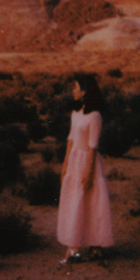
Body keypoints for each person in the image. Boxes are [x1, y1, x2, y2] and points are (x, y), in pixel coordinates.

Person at [56, 73, 114, 264]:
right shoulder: (76, 114)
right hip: (75, 161)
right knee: (75, 202)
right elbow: (71, 140)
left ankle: (89, 245)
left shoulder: (95, 116)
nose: (73, 90)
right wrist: (65, 165)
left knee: (90, 202)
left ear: (85, 91)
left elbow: (92, 146)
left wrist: (89, 173)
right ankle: (75, 246)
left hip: (88, 162)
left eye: (76, 87)